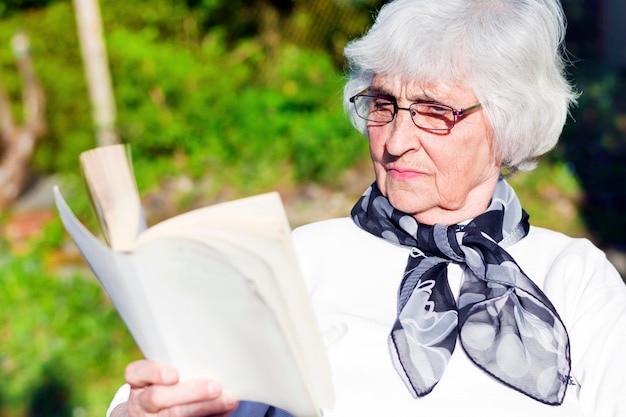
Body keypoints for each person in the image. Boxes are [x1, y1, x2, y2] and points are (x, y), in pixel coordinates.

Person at [107, 0, 626, 416]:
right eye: (383, 104)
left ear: (508, 123)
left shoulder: (575, 279)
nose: (396, 140)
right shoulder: (295, 258)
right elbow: (171, 392)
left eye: (433, 111)